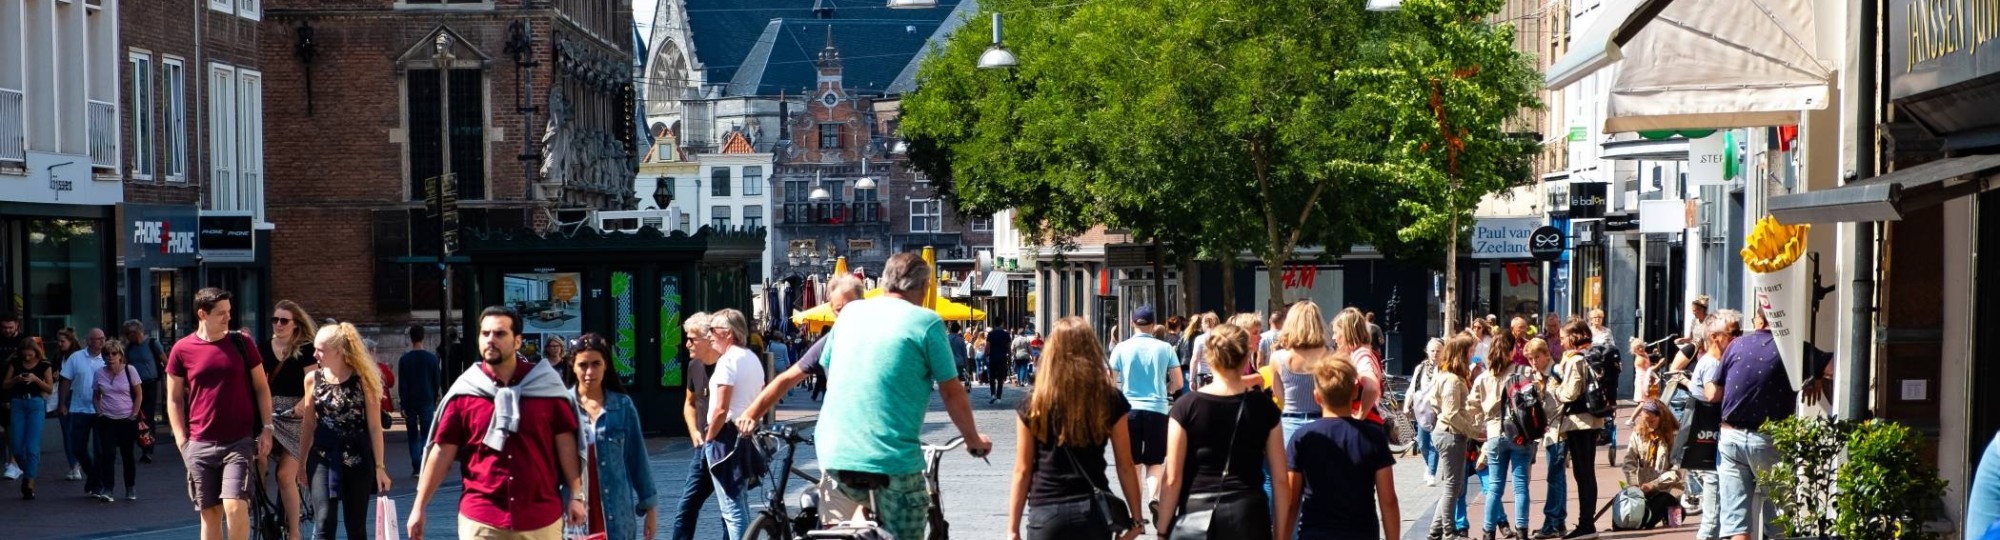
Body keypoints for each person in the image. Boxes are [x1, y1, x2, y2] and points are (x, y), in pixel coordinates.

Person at [813, 252, 994, 540]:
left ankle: (861, 525)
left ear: (885, 282)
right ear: (923, 288)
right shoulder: (927, 322)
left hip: (834, 453)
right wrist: (972, 439)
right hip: (890, 458)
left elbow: (830, 368)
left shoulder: (850, 313)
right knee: (908, 513)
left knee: (864, 510)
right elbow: (951, 391)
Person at [407, 305, 586, 540]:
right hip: (481, 519)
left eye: (500, 334)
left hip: (540, 518)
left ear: (518, 341)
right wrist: (419, 506)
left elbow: (566, 444)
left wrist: (576, 494)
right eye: (485, 333)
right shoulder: (466, 391)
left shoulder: (546, 387)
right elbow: (442, 451)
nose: (491, 339)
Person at [1006, 316, 1145, 540]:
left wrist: (1012, 528)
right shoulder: (1108, 399)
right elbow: (1125, 464)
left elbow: (1022, 469)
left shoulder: (1034, 403)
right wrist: (1137, 519)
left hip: (1046, 512)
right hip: (1092, 512)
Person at [1155, 322, 1289, 540]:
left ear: (1210, 357)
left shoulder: (1186, 407)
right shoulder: (1264, 407)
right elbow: (1280, 479)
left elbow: (1172, 477)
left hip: (1197, 512)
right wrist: (1281, 534)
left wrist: (1162, 530)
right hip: (1248, 513)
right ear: (1246, 358)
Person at [168, 287, 278, 540]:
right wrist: (181, 441)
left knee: (235, 506)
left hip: (238, 442)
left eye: (229, 311)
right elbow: (174, 399)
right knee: (210, 515)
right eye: (221, 313)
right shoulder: (182, 349)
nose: (228, 317)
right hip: (199, 442)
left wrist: (267, 428)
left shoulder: (242, 343)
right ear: (202, 314)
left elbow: (262, 387)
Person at [1285, 353, 1401, 540]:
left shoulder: (1302, 438)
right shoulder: (1373, 436)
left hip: (1315, 532)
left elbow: (1291, 501)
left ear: (1317, 396)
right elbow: (1388, 500)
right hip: (1361, 532)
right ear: (1355, 392)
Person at [733, 275, 867, 434]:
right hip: (844, 435)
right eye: (839, 309)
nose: (846, 313)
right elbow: (787, 379)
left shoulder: (883, 333)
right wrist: (751, 414)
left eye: (850, 306)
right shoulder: (832, 340)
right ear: (832, 310)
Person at [295, 323, 391, 540]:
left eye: (320, 349)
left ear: (338, 351)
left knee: (355, 525)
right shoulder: (313, 379)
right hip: (322, 456)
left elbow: (375, 427)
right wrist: (301, 463)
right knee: (324, 522)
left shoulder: (363, 380)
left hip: (357, 457)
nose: (314, 354)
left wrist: (380, 467)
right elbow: (309, 423)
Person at [1706, 308, 1795, 540]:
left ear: (1758, 320)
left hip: (1731, 437)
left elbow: (1713, 394)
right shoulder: (1790, 346)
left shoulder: (1735, 346)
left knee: (1737, 522)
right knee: (1779, 518)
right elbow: (1833, 368)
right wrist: (1814, 376)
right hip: (1768, 439)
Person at [570, 333, 659, 540]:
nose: (589, 372)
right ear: (573, 366)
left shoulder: (622, 406)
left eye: (596, 364)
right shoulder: (562, 406)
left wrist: (650, 509)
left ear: (606, 365)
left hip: (616, 513)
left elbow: (638, 460)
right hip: (573, 512)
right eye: (583, 365)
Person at [1107, 305, 1185, 525]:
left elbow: (1110, 382)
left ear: (1133, 323)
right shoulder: (1165, 349)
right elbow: (1178, 382)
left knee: (1133, 463)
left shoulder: (1121, 348)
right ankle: (1154, 498)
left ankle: (1136, 510)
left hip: (1129, 410)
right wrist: (1167, 390)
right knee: (1155, 461)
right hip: (1158, 410)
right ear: (1153, 324)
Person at [700, 308, 767, 540]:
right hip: (745, 435)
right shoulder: (752, 359)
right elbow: (761, 400)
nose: (709, 336)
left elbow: (720, 409)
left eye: (713, 331)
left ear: (728, 333)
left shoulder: (727, 361)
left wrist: (709, 439)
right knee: (740, 503)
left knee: (732, 509)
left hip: (725, 437)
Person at [1471, 331, 1535, 540]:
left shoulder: (1483, 377)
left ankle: (1488, 531)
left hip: (1494, 434)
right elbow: (1537, 398)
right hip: (1519, 433)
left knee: (1495, 487)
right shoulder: (1522, 371)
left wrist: (1479, 422)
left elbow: (1471, 406)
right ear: (1512, 350)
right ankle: (1522, 530)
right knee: (1520, 485)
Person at [264, 299, 319, 540]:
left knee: (285, 475)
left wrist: (301, 406)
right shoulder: (264, 348)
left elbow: (314, 384)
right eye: (275, 320)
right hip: (271, 413)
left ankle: (295, 532)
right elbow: (260, 384)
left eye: (283, 320)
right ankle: (261, 504)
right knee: (256, 456)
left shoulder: (306, 348)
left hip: (297, 415)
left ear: (295, 324)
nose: (278, 324)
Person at [1552, 319, 1605, 540]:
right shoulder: (1592, 355)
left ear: (1573, 338)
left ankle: (1586, 523)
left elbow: (1570, 393)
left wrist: (1555, 389)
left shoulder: (1576, 361)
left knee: (1583, 473)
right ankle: (1587, 521)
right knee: (1586, 472)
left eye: (1564, 337)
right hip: (1592, 420)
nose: (1561, 341)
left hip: (1579, 422)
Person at [1688, 310, 1738, 540]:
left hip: (1710, 438)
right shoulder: (1711, 364)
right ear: (1716, 336)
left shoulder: (1714, 361)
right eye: (1733, 333)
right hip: (1709, 440)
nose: (1737, 339)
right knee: (1714, 508)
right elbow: (1711, 395)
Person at [667, 312, 718, 540]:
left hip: (727, 448)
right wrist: (694, 432)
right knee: (685, 508)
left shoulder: (727, 364)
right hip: (702, 449)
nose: (686, 343)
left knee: (730, 511)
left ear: (709, 338)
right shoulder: (694, 366)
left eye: (692, 338)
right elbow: (689, 403)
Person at [1425, 335, 1479, 540]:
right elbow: (1451, 413)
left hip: (1447, 432)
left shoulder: (1446, 375)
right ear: (1461, 354)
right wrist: (1473, 431)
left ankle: (1436, 530)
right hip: (1451, 434)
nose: (1472, 355)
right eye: (1470, 352)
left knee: (1455, 485)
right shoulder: (1453, 380)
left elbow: (1435, 402)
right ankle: (1449, 531)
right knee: (1453, 485)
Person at [1525, 339, 1569, 540]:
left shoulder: (1555, 372)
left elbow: (1560, 400)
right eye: (1530, 358)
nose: (1533, 362)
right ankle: (1559, 522)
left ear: (1546, 355)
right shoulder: (1539, 374)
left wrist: (1541, 389)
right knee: (1557, 477)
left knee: (1554, 476)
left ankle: (1551, 523)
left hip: (1559, 428)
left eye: (1537, 357)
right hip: (1551, 430)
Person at [91, 340, 144, 501]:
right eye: (106, 354)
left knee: (127, 455)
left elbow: (139, 394)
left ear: (120, 355)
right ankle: (108, 489)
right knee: (108, 455)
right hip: (107, 419)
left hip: (126, 419)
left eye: (114, 354)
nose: (110, 357)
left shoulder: (130, 370)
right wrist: (99, 411)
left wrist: (134, 414)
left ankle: (130, 487)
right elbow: (96, 395)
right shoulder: (99, 373)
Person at [1620, 399, 1684, 529]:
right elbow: (1629, 461)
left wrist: (1653, 485)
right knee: (1625, 518)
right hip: (1642, 491)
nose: (1648, 425)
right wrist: (1633, 485)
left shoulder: (1674, 436)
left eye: (1652, 421)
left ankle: (1676, 508)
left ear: (1662, 418)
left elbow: (1676, 471)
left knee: (1645, 523)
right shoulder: (1638, 433)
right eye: (1645, 421)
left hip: (1666, 489)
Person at [5, 339, 54, 498]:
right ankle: (28, 471)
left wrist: (35, 379)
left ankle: (29, 482)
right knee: (17, 446)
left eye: (30, 355)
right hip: (18, 403)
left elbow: (49, 388)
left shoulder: (44, 364)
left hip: (35, 403)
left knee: (32, 446)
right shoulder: (15, 363)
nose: (27, 358)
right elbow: (5, 384)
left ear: (36, 352)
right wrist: (16, 379)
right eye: (24, 355)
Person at [60, 327, 108, 487]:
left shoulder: (109, 357)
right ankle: (93, 477)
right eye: (97, 338)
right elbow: (65, 380)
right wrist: (62, 403)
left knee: (100, 449)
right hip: (79, 408)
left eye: (103, 338)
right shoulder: (76, 358)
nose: (101, 341)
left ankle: (96, 483)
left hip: (102, 409)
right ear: (88, 341)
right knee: (78, 447)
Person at [397, 325, 442, 477]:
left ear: (410, 338)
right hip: (427, 398)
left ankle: (416, 466)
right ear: (423, 337)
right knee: (426, 433)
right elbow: (436, 381)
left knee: (412, 434)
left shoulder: (404, 360)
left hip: (410, 401)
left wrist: (402, 404)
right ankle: (423, 462)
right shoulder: (432, 359)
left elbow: (402, 384)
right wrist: (436, 396)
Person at [121, 320, 166, 464]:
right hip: (134, 385)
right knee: (135, 415)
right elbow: (124, 363)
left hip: (150, 384)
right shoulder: (129, 347)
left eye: (129, 334)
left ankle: (147, 449)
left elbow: (165, 361)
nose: (127, 337)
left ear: (137, 332)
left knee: (148, 416)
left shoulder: (152, 344)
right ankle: (141, 443)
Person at [1332, 309, 1385, 424]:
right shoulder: (1361, 353)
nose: (1333, 338)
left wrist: (1360, 415)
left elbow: (1371, 387)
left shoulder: (1361, 355)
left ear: (1347, 332)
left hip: (1363, 425)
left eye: (1336, 332)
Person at [1408, 337, 1444, 487]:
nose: (1435, 354)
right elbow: (1412, 388)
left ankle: (1431, 473)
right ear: (1427, 351)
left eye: (1438, 351)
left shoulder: (1445, 368)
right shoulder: (1420, 368)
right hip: (1422, 411)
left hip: (1438, 410)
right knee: (1422, 443)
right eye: (1432, 351)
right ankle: (1429, 465)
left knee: (1433, 443)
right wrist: (1406, 405)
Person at [0, 312, 22, 479]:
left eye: (10, 328)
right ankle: (10, 460)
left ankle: (14, 462)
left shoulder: (24, 341)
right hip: (2, 387)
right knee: (4, 429)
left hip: (16, 388)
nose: (7, 331)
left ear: (17, 326)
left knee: (13, 427)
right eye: (4, 328)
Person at [987, 324, 1013, 403]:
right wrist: (1009, 355)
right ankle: (998, 397)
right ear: (1001, 324)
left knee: (992, 377)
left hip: (992, 357)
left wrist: (986, 354)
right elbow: (1009, 347)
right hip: (1002, 358)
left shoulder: (991, 334)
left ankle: (993, 394)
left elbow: (988, 346)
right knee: (1000, 378)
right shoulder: (1006, 334)